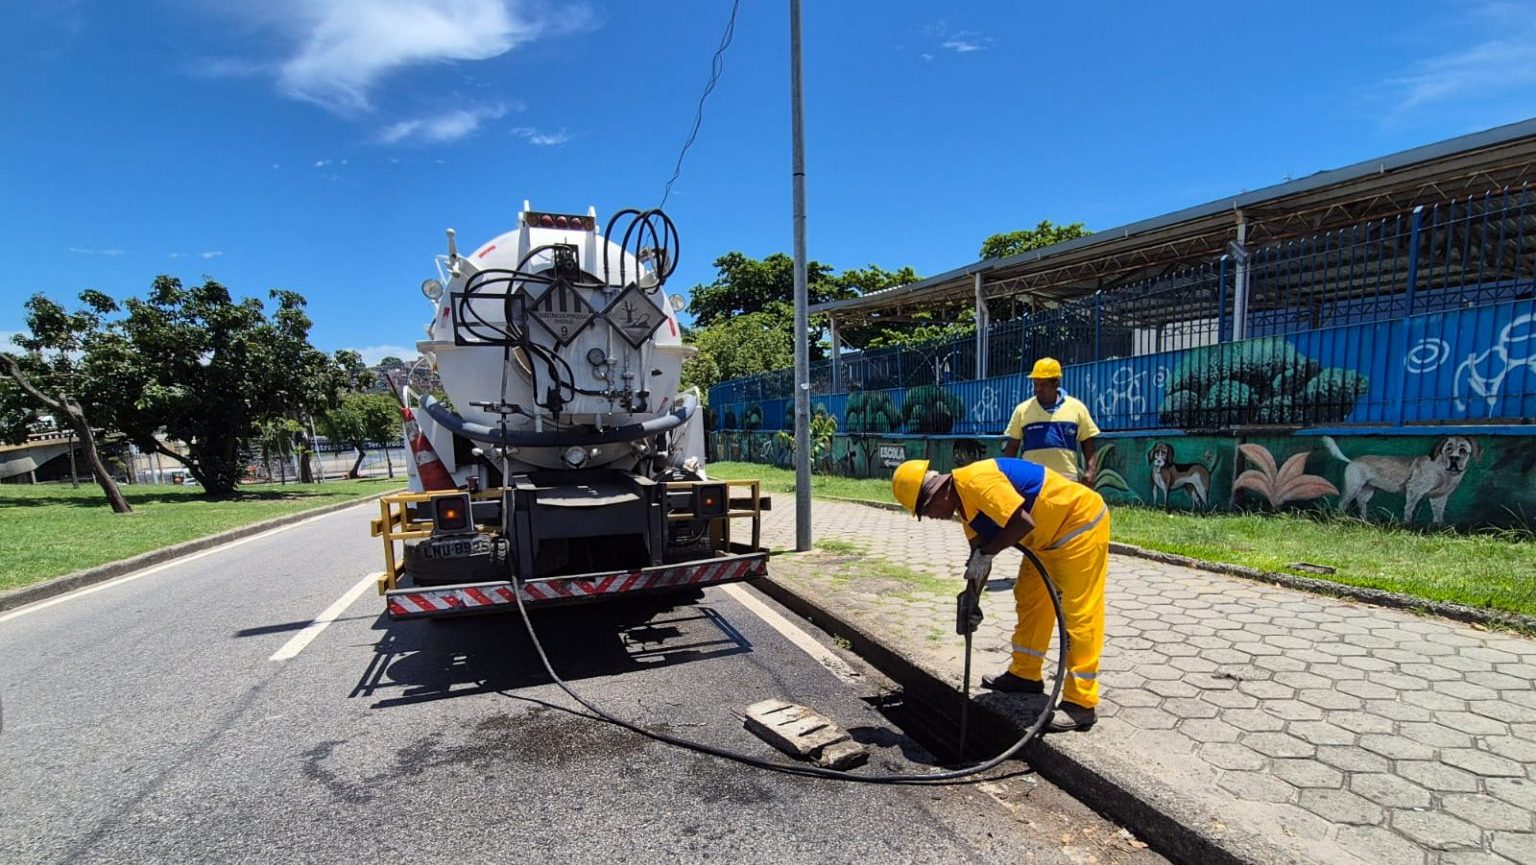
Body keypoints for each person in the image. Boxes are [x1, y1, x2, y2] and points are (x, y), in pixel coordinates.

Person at [891, 456, 1109, 732]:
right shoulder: (964, 507)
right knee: (1029, 600)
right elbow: (978, 555)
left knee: (1078, 614)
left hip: (1078, 525)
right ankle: (1026, 675)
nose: (930, 516)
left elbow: (1021, 522)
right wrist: (971, 600)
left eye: (926, 509)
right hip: (1044, 539)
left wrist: (988, 553)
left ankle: (1081, 702)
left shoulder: (976, 481)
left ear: (938, 490)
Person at [1003, 358, 1101, 484]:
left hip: (1066, 481)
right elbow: (1012, 446)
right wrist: (1007, 475)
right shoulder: (1022, 410)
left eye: (1043, 385)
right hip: (1032, 482)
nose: (1038, 389)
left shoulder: (1076, 408)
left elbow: (1088, 442)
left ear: (1056, 383)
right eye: (1035, 384)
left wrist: (1091, 472)